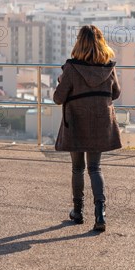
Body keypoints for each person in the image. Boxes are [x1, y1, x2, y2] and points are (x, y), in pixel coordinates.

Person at [53, 25, 122, 231]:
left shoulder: (72, 68)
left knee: (77, 168)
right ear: (101, 42)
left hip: (76, 121)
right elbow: (116, 93)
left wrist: (61, 81)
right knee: (95, 168)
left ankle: (78, 212)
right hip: (100, 121)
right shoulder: (108, 67)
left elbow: (58, 98)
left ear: (79, 43)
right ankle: (100, 214)